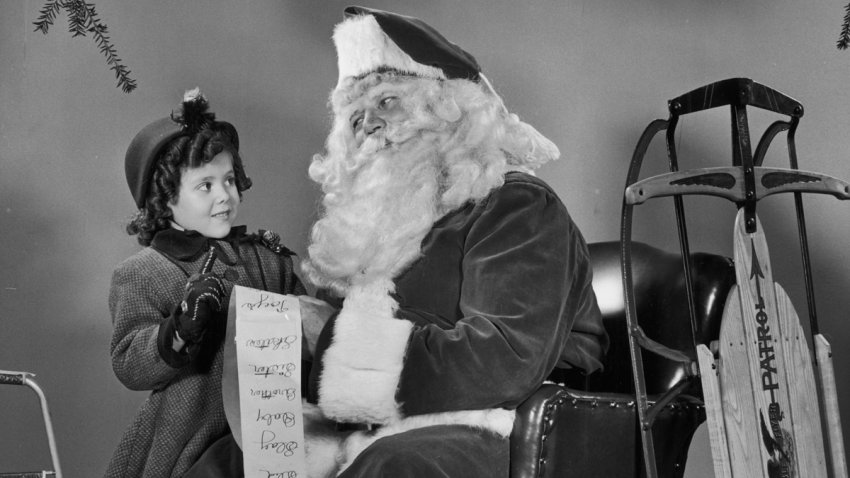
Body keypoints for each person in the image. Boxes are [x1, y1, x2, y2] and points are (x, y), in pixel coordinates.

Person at [300, 6, 609, 477]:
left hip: (505, 423)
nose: (370, 125)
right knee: (239, 455)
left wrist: (328, 339)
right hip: (390, 418)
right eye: (356, 117)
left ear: (447, 108)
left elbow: (502, 359)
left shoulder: (514, 205)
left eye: (387, 102)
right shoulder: (374, 228)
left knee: (392, 466)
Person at [105, 88, 307, 477]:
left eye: (229, 180)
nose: (224, 196)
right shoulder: (144, 272)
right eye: (205, 186)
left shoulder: (269, 260)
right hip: (192, 439)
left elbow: (307, 335)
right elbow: (129, 362)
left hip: (274, 431)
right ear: (164, 200)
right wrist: (179, 328)